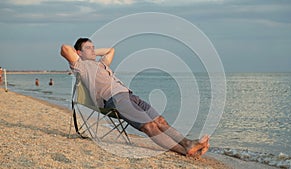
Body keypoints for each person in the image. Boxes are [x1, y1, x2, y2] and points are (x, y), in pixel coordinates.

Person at [60, 38, 210, 156]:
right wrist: (84, 55)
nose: (93, 50)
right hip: (114, 99)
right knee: (149, 126)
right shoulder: (80, 66)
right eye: (88, 47)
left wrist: (91, 52)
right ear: (78, 52)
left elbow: (111, 50)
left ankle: (188, 143)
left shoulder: (100, 65)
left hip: (128, 95)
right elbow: (64, 48)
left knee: (160, 120)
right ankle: (185, 150)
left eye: (93, 47)